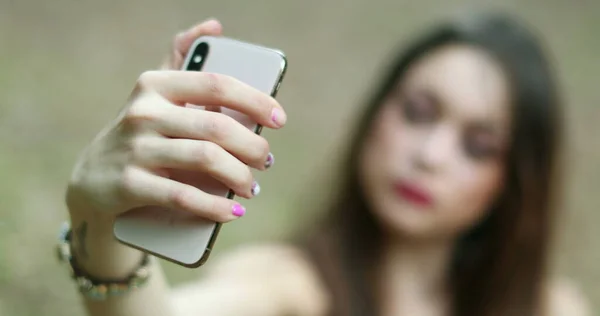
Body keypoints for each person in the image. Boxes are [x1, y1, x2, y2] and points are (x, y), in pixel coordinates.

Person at [61, 12, 591, 316]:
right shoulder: (288, 285)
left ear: (516, 183)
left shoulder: (551, 308)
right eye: (417, 113)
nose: (429, 156)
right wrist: (99, 222)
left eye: (477, 146)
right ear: (374, 115)